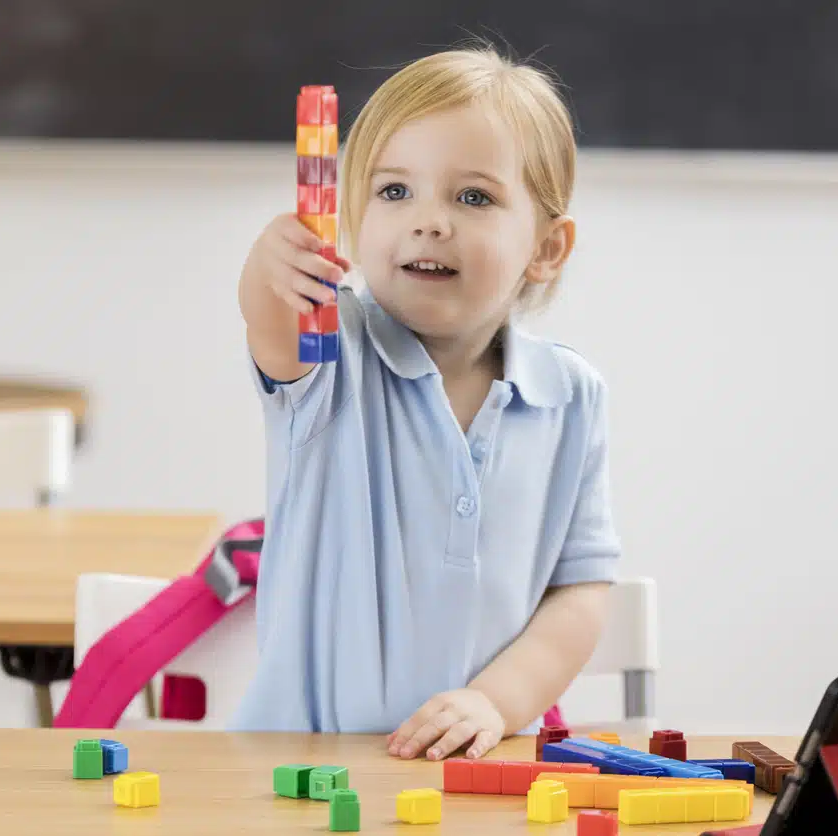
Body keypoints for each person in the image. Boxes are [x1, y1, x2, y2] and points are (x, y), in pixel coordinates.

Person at [231, 44, 620, 761]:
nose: (429, 220)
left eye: (473, 197)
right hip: (299, 770)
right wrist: (268, 268)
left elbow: (579, 594)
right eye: (393, 191)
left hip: (479, 775)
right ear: (350, 219)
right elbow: (270, 321)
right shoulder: (328, 351)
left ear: (547, 248)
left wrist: (494, 704)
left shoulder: (571, 396)